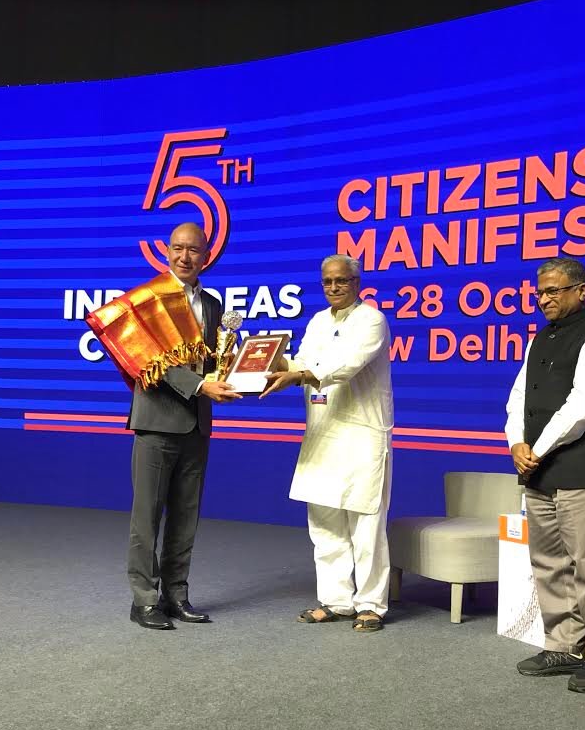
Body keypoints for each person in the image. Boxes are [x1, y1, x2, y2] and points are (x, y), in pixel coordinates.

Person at [504, 257, 585, 691]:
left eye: (553, 291)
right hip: (539, 470)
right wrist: (515, 443)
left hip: (583, 469)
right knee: (549, 564)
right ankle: (564, 644)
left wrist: (534, 449)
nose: (544, 299)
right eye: (540, 292)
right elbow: (518, 396)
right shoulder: (539, 339)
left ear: (582, 291)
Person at [262, 254, 394, 633]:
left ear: (357, 283)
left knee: (365, 526)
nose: (334, 287)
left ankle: (370, 605)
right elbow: (302, 361)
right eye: (328, 282)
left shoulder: (371, 319)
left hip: (362, 435)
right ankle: (337, 601)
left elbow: (346, 365)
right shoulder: (319, 321)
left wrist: (300, 374)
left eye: (342, 280)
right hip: (322, 434)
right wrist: (266, 360)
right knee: (324, 524)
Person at [125, 222, 239, 630]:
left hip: (197, 424)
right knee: (147, 518)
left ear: (206, 256)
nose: (184, 257)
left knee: (185, 517)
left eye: (193, 250)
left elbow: (216, 359)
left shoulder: (212, 304)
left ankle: (176, 594)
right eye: (177, 248)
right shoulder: (148, 298)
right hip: (156, 422)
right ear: (167, 252)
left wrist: (242, 370)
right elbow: (146, 359)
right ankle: (144, 600)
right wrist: (201, 386)